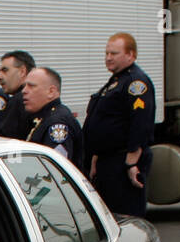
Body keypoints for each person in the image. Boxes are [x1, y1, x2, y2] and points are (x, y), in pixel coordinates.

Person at [83, 32, 156, 216]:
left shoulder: (135, 83)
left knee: (125, 217)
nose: (108, 58)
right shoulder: (116, 81)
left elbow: (141, 122)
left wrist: (131, 163)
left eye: (114, 54)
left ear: (130, 55)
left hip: (121, 162)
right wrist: (95, 157)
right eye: (106, 53)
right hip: (107, 162)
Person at [21, 67, 83, 165]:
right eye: (25, 86)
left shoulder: (57, 123)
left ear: (51, 92)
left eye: (31, 86)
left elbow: (55, 169)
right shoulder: (44, 117)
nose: (24, 91)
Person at [0, 50, 34, 139]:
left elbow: (2, 139)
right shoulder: (33, 99)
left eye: (5, 70)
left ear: (22, 72)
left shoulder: (19, 100)